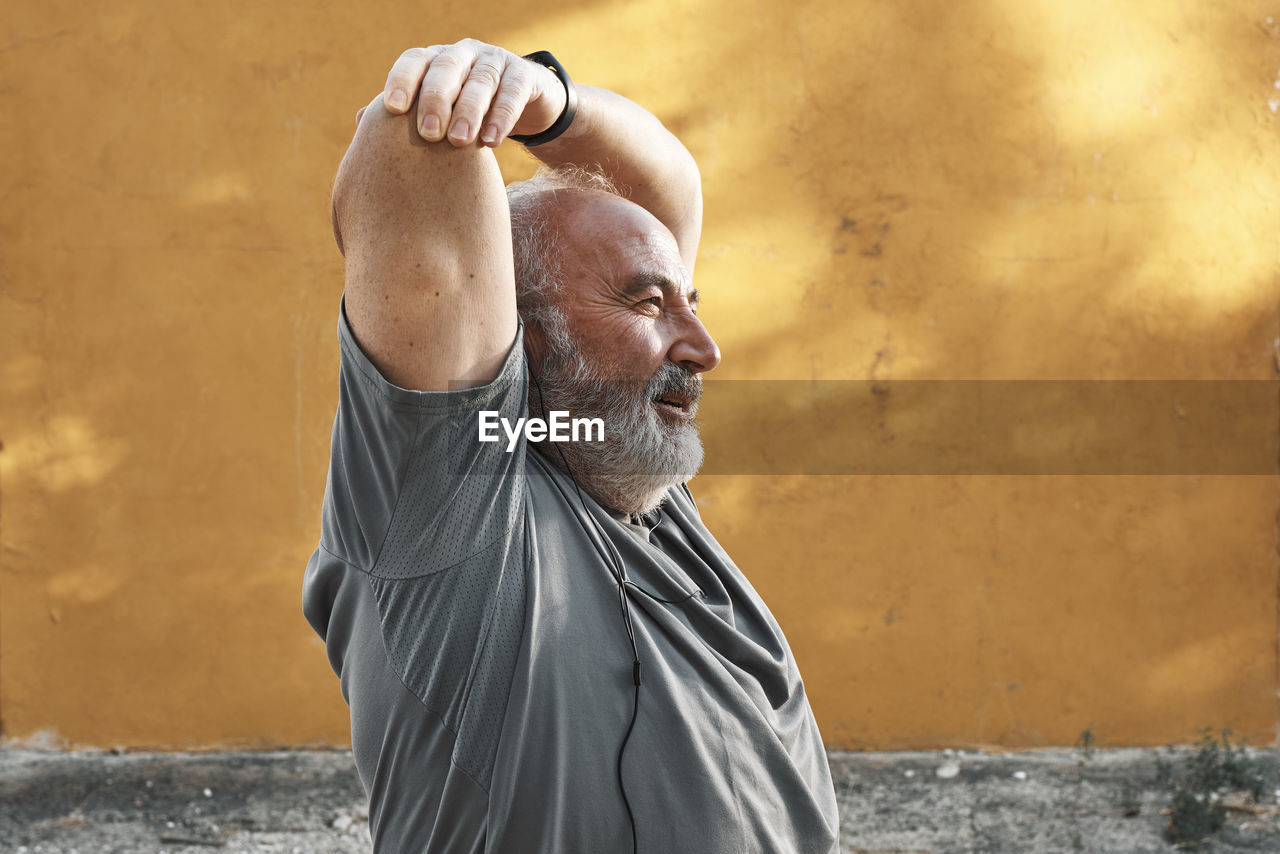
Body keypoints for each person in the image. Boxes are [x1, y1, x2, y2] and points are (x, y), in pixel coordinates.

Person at [302, 38, 840, 853]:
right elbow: (413, 164)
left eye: (688, 301)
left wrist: (550, 102)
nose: (704, 347)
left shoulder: (614, 452)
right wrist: (441, 98)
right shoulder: (452, 501)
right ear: (529, 347)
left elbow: (667, 187)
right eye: (649, 304)